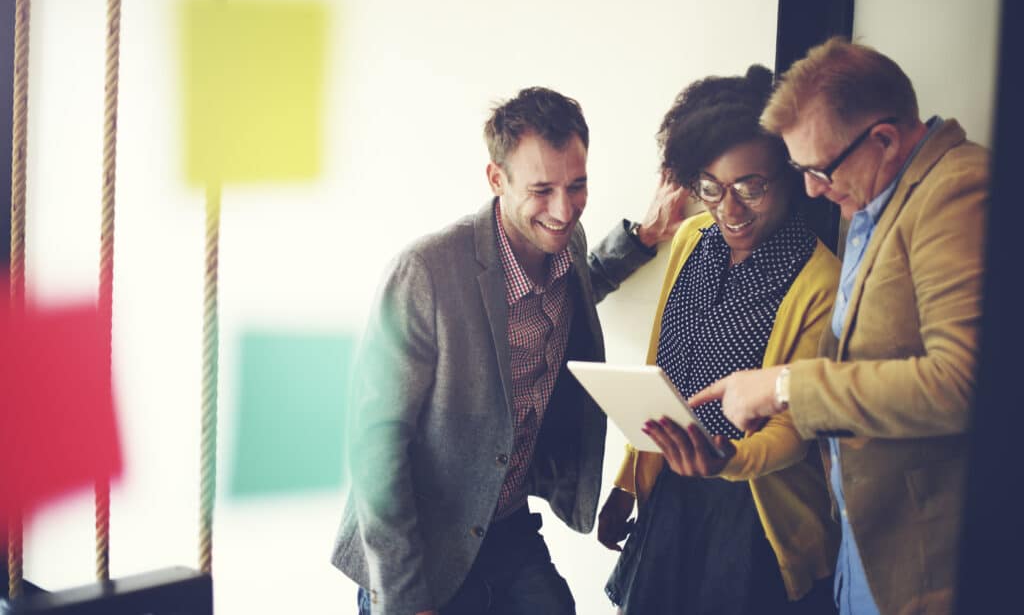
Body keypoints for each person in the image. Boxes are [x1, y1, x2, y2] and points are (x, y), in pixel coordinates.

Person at [330, 86, 687, 615]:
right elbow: (374, 446)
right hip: (421, 546)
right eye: (541, 189)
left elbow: (578, 286)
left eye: (578, 185)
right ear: (497, 179)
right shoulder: (425, 273)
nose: (564, 210)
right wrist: (404, 598)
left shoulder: (565, 239)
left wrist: (643, 238)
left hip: (507, 525)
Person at [690, 38, 989, 615]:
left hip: (920, 563)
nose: (810, 190)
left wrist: (783, 385)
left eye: (819, 169)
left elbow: (964, 382)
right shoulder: (875, 196)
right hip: (862, 545)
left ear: (883, 138)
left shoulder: (957, 188)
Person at [598, 65, 841, 614]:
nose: (729, 210)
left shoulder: (818, 280)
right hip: (672, 497)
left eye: (749, 188)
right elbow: (663, 375)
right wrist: (629, 480)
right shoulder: (691, 237)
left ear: (788, 171)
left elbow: (795, 431)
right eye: (710, 188)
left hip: (754, 519)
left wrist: (725, 459)